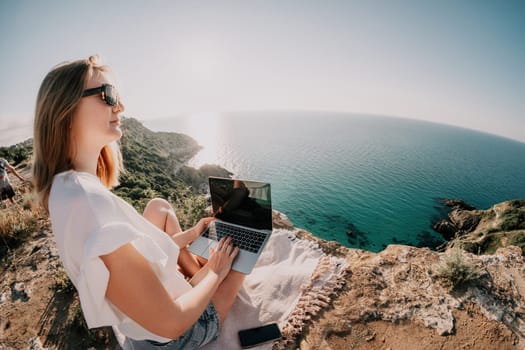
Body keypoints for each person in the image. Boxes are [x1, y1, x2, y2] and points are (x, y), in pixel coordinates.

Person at [32, 56, 245, 349]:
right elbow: (173, 322)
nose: (120, 106)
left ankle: (197, 267)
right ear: (64, 111)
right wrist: (218, 274)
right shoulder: (89, 203)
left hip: (141, 319)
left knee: (158, 206)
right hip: (175, 335)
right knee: (242, 262)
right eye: (107, 96)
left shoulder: (67, 187)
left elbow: (135, 259)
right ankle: (205, 269)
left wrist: (193, 233)